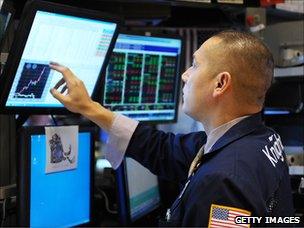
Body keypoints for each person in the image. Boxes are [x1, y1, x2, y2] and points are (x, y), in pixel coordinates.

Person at [50, 31, 294, 227]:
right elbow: (163, 149)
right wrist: (90, 108)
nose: (185, 75)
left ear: (220, 83)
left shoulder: (223, 181)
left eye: (195, 65)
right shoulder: (258, 139)